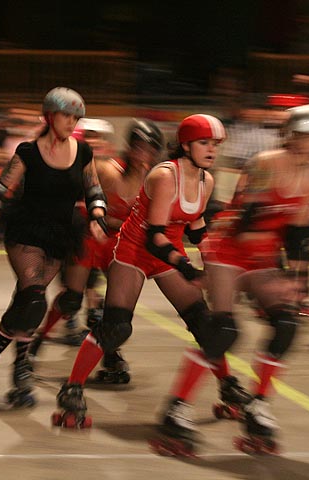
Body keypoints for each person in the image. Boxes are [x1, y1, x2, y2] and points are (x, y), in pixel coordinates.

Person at [153, 103, 309, 456]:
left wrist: (300, 282)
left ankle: (258, 405)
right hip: (228, 250)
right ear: (295, 136)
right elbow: (246, 225)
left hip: (263, 256)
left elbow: (300, 234)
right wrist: (278, 276)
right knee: (224, 331)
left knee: (287, 324)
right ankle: (177, 409)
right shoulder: (266, 163)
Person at [53, 114, 248, 430]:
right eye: (204, 143)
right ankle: (72, 388)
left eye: (215, 144)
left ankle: (227, 385)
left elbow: (197, 227)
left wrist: (214, 264)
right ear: (186, 145)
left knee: (203, 322)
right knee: (116, 327)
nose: (212, 150)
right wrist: (189, 269)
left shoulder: (206, 180)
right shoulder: (165, 175)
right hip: (135, 249)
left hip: (168, 250)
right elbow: (153, 237)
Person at [0, 87, 108, 407]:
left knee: (28, 303)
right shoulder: (28, 151)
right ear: (50, 117)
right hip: (27, 230)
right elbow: (1, 186)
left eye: (75, 117)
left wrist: (98, 217)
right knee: (34, 296)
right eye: (66, 115)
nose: (71, 122)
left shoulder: (83, 152)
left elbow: (94, 189)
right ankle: (18, 369)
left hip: (60, 234)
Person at [29, 119, 165, 385]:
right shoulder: (107, 170)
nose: (143, 154)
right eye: (139, 147)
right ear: (130, 147)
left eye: (149, 149)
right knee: (71, 299)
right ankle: (36, 344)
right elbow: (77, 197)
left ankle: (111, 355)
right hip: (91, 237)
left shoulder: (154, 178)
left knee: (116, 309)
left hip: (120, 243)